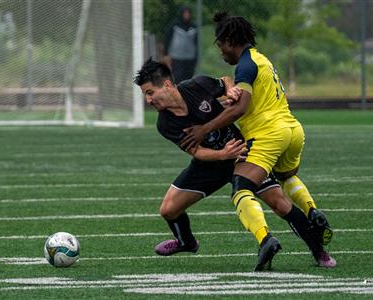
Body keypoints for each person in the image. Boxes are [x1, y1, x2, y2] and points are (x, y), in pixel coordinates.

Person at [134, 58, 333, 271]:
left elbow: (226, 80)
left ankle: (319, 251)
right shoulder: (165, 123)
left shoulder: (196, 85)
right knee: (168, 209)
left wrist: (230, 91)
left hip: (242, 156)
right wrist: (222, 154)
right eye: (146, 95)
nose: (148, 100)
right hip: (210, 163)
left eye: (149, 93)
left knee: (280, 204)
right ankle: (187, 243)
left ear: (166, 85)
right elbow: (197, 151)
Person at [180, 12, 336, 267]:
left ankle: (266, 240)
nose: (221, 53)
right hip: (292, 130)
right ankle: (314, 223)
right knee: (283, 184)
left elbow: (240, 109)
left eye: (221, 46)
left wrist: (203, 129)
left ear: (231, 41)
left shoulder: (245, 65)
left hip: (268, 134)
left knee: (241, 187)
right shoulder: (261, 60)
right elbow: (244, 99)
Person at [163, 6, 198, 84]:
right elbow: (167, 38)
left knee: (188, 79)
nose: (187, 15)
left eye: (188, 13)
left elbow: (197, 43)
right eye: (185, 13)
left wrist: (196, 57)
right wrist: (166, 53)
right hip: (176, 57)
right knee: (178, 78)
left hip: (190, 58)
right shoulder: (174, 25)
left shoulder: (194, 27)